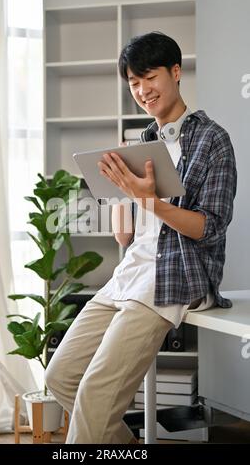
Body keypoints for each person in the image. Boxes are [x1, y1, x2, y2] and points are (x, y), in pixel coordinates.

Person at [45, 31, 237, 444]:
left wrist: (147, 199)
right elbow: (125, 234)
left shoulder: (212, 140)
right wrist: (115, 186)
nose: (142, 90)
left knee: (96, 398)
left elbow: (210, 226)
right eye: (133, 83)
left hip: (174, 276)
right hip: (130, 273)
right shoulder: (144, 142)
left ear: (175, 71)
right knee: (60, 376)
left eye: (149, 77)